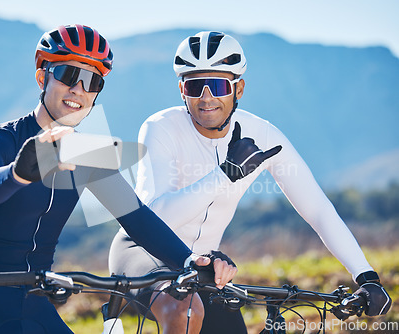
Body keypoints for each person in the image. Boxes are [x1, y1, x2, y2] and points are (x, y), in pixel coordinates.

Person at [0, 25, 237, 334]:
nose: (79, 90)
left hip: (34, 305)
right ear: (43, 77)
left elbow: (135, 216)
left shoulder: (86, 152)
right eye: (68, 75)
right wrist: (19, 172)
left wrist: (189, 260)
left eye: (92, 82)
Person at [108, 31, 391, 333]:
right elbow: (156, 217)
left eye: (217, 85)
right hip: (142, 252)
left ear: (238, 87)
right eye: (194, 86)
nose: (206, 98)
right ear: (182, 89)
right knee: (184, 312)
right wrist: (225, 174)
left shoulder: (264, 136)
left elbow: (318, 209)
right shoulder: (160, 127)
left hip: (203, 267)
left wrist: (366, 276)